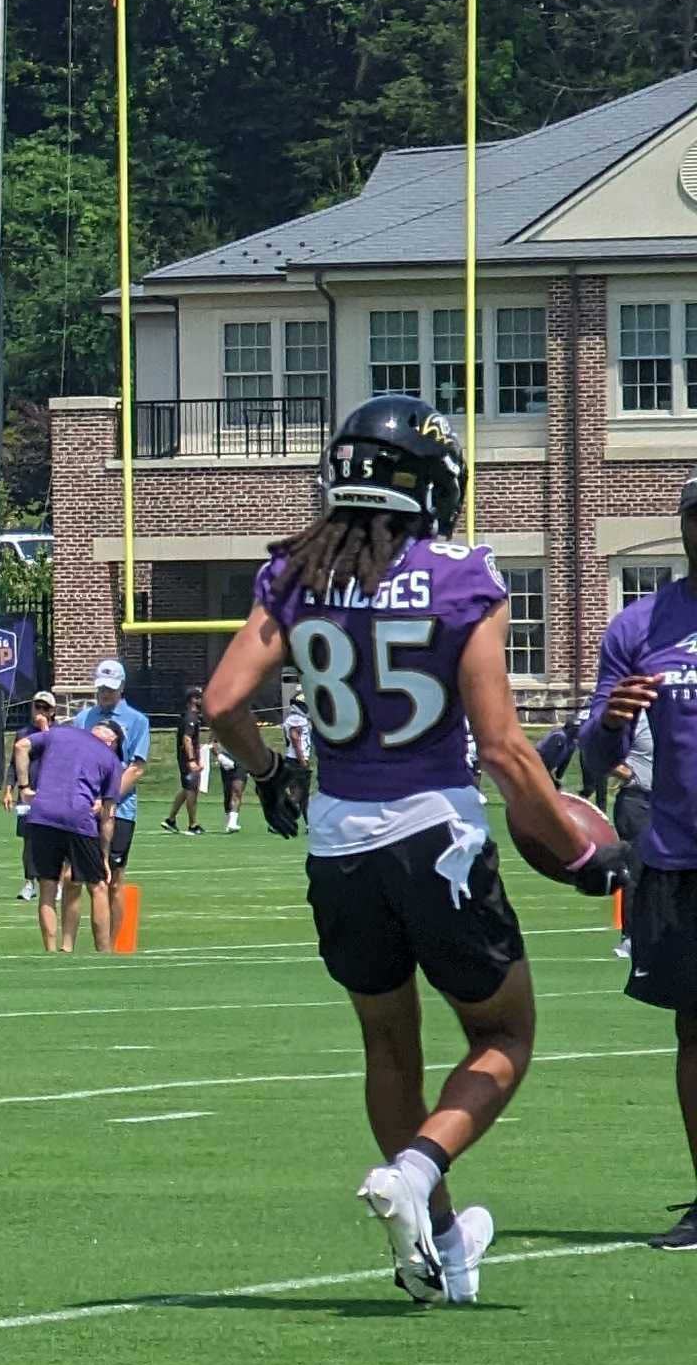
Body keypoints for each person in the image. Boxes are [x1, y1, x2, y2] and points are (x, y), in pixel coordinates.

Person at [198, 395, 615, 1302]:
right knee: (503, 1035)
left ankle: (437, 1250)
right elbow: (504, 747)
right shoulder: (461, 574)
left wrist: (271, 774)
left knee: (389, 1046)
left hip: (337, 840)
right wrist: (581, 856)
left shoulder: (295, 575)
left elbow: (224, 702)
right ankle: (420, 1174)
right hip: (434, 831)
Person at [580, 480, 697, 1252]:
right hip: (678, 858)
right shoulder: (641, 623)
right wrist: (613, 722)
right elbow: (595, 756)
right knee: (695, 1030)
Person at [14, 689, 122, 954]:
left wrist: (25, 787)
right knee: (97, 886)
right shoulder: (110, 759)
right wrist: (104, 856)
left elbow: (21, 746)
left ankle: (52, 951)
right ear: (113, 742)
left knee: (48, 885)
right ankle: (104, 951)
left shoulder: (60, 733)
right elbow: (108, 814)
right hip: (78, 819)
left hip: (41, 816)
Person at [79, 658, 152, 944]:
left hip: (120, 809)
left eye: (110, 688)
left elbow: (136, 767)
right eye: (101, 688)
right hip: (84, 807)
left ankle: (116, 942)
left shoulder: (137, 721)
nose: (105, 694)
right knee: (86, 877)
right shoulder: (84, 718)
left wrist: (107, 797)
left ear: (121, 687)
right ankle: (97, 940)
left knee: (114, 877)